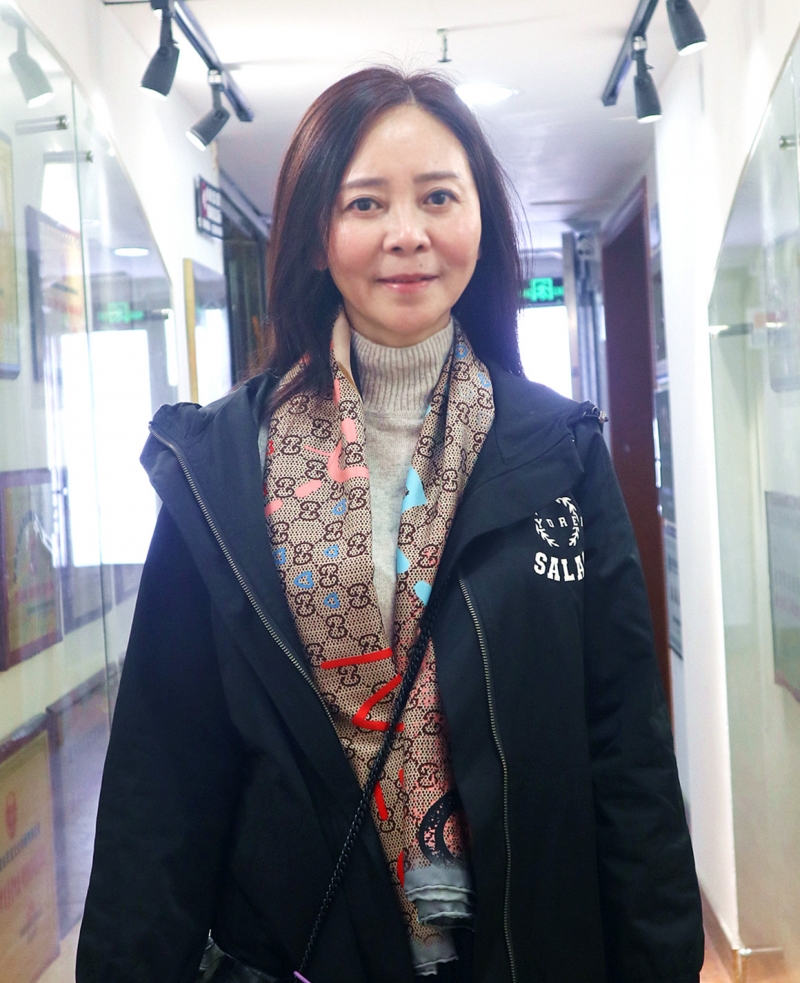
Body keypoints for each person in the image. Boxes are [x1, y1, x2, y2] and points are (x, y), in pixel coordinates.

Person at [76, 67, 704, 983]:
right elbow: (161, 774)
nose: (407, 233)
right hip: (305, 950)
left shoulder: (557, 451)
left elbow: (626, 749)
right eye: (366, 202)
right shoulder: (222, 467)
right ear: (316, 234)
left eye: (438, 197)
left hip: (526, 949)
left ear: (480, 220)